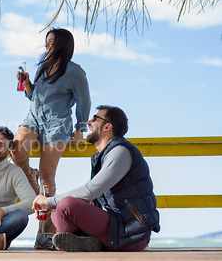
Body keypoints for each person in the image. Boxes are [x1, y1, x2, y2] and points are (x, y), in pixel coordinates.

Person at [32, 106, 161, 252]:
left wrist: (47, 201)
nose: (88, 122)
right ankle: (80, 242)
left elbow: (90, 191)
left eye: (94, 119)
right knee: (58, 211)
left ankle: (59, 243)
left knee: (66, 205)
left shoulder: (120, 152)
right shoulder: (101, 156)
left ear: (107, 126)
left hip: (131, 232)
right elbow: (89, 194)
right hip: (115, 226)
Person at [10, 27, 91, 241]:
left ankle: (46, 230)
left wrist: (80, 129)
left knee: (48, 180)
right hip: (33, 121)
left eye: (51, 41)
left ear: (62, 45)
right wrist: (27, 83)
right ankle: (32, 181)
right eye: (46, 41)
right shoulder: (42, 69)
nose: (46, 45)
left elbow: (84, 100)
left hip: (58, 126)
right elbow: (33, 96)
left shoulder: (75, 71)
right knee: (15, 148)